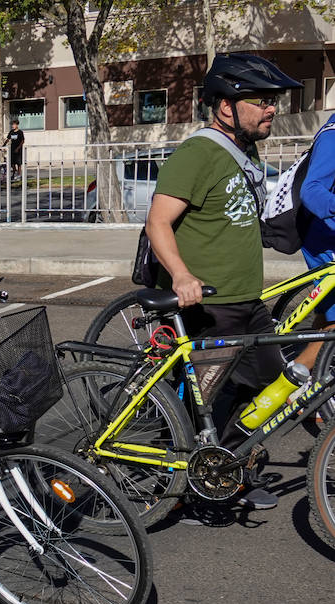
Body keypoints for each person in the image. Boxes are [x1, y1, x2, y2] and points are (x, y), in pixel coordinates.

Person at [146, 51, 301, 515]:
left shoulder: (244, 151)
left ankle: (226, 470)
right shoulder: (197, 154)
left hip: (246, 301)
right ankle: (177, 483)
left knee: (271, 391)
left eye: (273, 100)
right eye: (260, 100)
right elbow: (158, 224)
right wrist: (181, 274)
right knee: (201, 406)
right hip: (208, 304)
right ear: (226, 106)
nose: (271, 108)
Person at [294, 110, 335, 388]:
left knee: (328, 314)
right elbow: (311, 190)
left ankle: (313, 379)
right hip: (324, 234)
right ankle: (294, 380)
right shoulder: (333, 135)